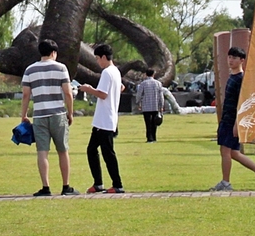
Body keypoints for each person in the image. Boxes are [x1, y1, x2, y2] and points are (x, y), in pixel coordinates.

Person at [21, 39, 78, 196]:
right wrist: (70, 112)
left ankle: (46, 187)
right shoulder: (60, 68)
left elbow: (26, 95)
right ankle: (66, 186)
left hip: (39, 115)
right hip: (58, 114)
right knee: (63, 150)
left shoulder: (30, 70)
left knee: (42, 152)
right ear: (53, 53)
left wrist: (24, 115)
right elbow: (67, 92)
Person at [210, 46, 255, 191]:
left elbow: (242, 104)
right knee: (233, 153)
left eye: (234, 58)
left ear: (242, 60)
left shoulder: (241, 79)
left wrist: (237, 124)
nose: (230, 60)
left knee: (225, 151)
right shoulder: (232, 77)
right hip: (227, 119)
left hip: (232, 120)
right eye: (229, 57)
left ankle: (226, 183)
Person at [79, 43, 126, 194]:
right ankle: (98, 183)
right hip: (105, 118)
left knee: (107, 153)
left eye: (98, 59)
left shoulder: (107, 72)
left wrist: (88, 89)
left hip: (104, 119)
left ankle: (117, 184)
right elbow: (121, 88)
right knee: (92, 150)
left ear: (104, 57)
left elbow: (102, 94)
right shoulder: (116, 71)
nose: (98, 62)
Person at [135, 68, 164, 143]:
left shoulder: (143, 83)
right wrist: (161, 106)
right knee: (154, 122)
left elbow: (139, 94)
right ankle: (154, 137)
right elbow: (161, 96)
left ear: (146, 74)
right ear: (153, 74)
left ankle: (149, 138)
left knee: (148, 123)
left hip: (146, 106)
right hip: (155, 106)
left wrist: (138, 103)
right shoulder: (158, 83)